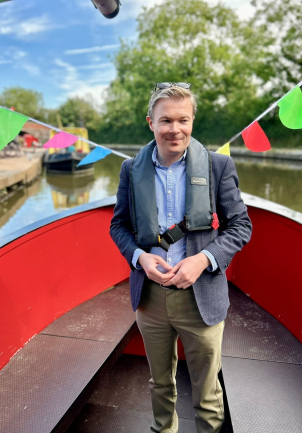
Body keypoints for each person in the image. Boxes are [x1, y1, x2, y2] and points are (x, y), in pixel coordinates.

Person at [110, 83, 252, 433]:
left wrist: (203, 259)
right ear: (150, 123)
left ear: (192, 121)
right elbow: (119, 226)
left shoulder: (219, 166)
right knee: (160, 384)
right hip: (150, 299)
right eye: (166, 120)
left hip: (201, 297)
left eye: (183, 120)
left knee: (207, 392)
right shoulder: (130, 170)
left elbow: (240, 225)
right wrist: (140, 257)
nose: (175, 129)